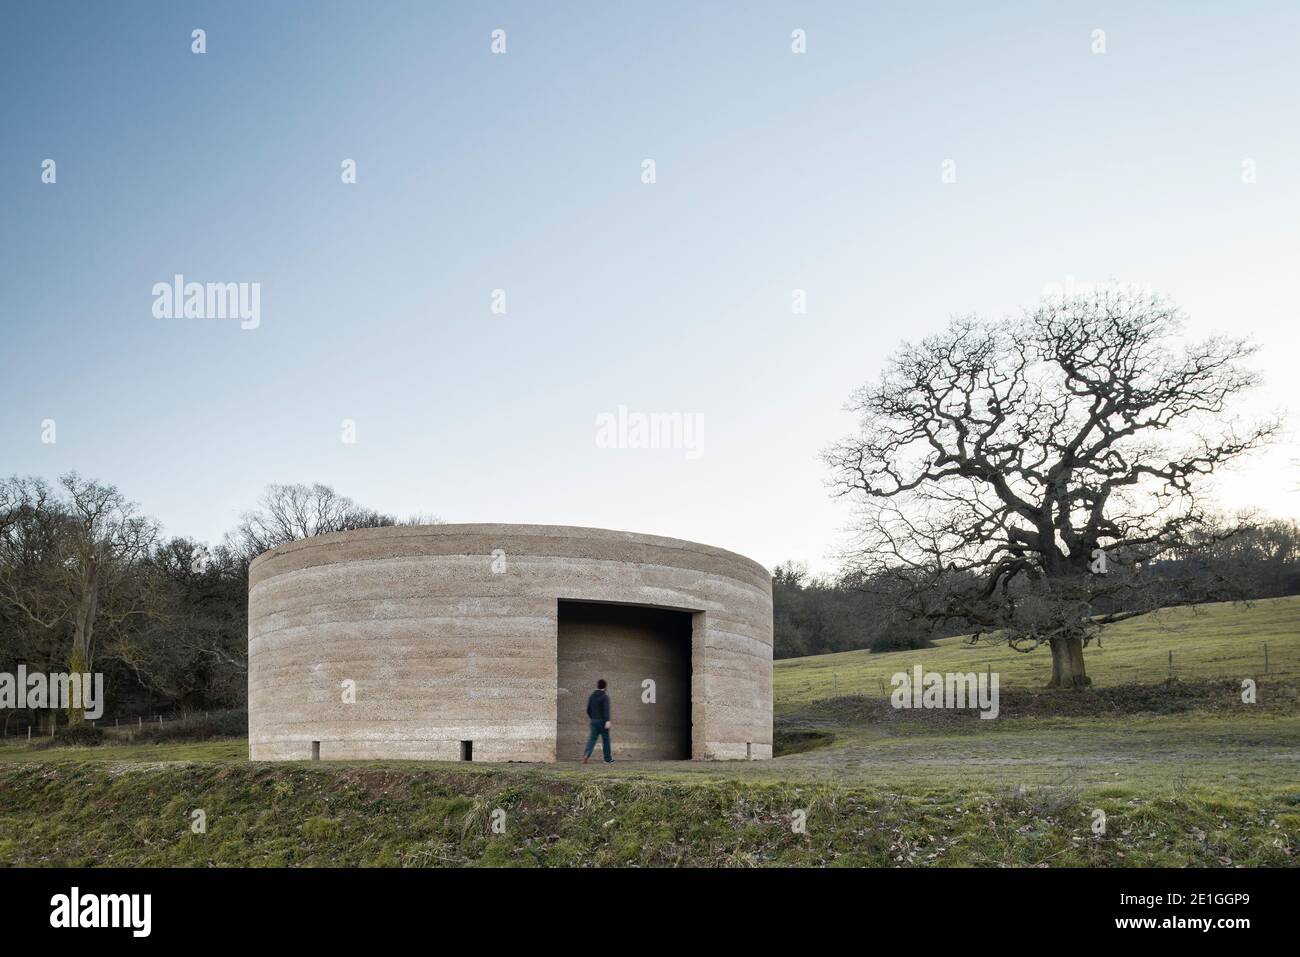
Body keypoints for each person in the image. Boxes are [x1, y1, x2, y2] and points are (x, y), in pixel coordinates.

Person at [582, 678, 613, 763]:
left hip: (594, 721)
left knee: (592, 739)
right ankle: (607, 759)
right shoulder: (605, 697)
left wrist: (593, 718)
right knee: (606, 739)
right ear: (605, 687)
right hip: (603, 722)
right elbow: (606, 709)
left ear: (598, 686)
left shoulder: (592, 696)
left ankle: (586, 754)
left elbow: (588, 709)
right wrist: (607, 720)